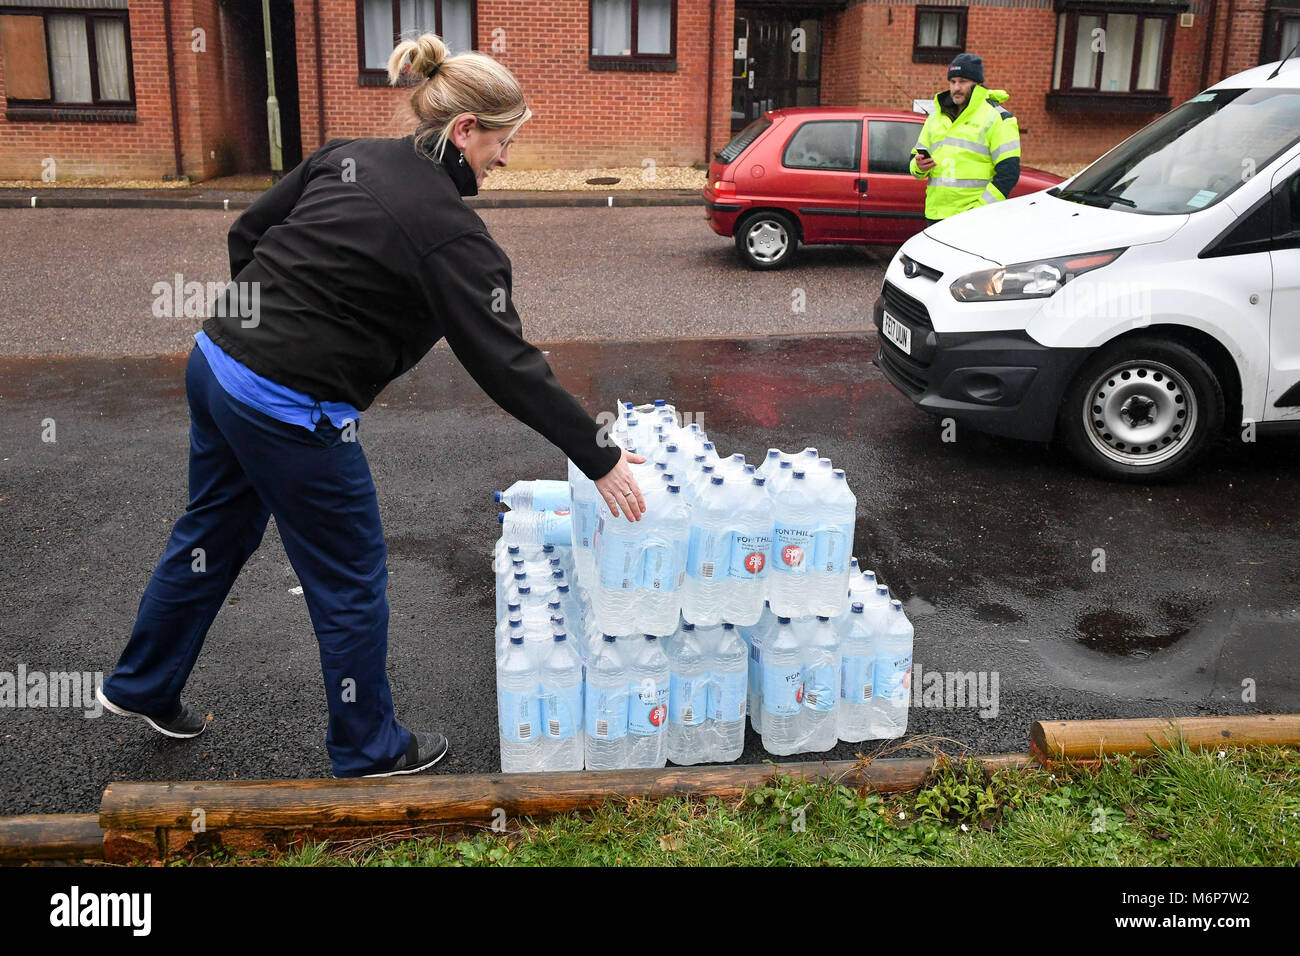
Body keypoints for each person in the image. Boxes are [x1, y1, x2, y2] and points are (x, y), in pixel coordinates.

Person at [96, 33, 646, 778]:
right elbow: (508, 364)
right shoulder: (453, 236)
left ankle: (141, 684)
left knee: (214, 530)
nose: (506, 158)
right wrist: (600, 454)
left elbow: (249, 232)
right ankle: (368, 747)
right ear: (463, 131)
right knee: (349, 577)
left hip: (217, 363)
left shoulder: (346, 153)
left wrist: (269, 324)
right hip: (288, 411)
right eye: (503, 141)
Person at [910, 53, 1021, 225]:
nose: (956, 88)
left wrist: (980, 210)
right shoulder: (935, 117)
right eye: (953, 81)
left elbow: (1009, 173)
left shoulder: (997, 118)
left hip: (973, 219)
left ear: (977, 84)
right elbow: (914, 159)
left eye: (963, 81)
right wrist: (918, 166)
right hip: (935, 215)